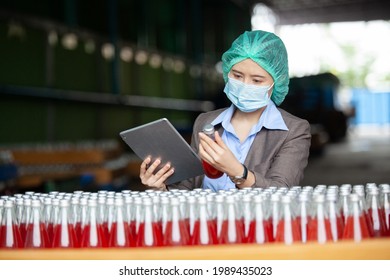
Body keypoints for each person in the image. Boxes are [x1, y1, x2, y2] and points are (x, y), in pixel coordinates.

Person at [139, 30, 311, 192]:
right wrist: (160, 188)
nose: (245, 85)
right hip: (206, 222)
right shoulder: (205, 123)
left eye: (257, 80)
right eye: (237, 76)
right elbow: (187, 187)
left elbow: (281, 192)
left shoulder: (294, 131)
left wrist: (237, 172)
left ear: (276, 83)